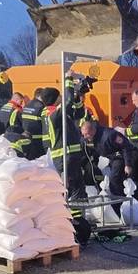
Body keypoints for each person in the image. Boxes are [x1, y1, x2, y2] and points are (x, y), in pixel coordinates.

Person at [42, 89, 87, 221]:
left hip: (69, 156)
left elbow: (78, 113)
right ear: (55, 99)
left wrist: (78, 97)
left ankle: (77, 221)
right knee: (71, 190)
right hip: (65, 157)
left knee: (77, 190)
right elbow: (67, 102)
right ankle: (70, 222)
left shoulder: (57, 114)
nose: (61, 97)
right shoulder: (53, 114)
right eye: (59, 96)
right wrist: (68, 79)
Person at [80, 120, 137, 199]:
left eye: (87, 134)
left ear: (93, 130)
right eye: (83, 135)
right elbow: (92, 151)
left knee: (114, 179)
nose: (85, 137)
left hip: (121, 156)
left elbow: (126, 147)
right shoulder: (88, 139)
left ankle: (119, 202)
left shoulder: (110, 135)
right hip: (110, 159)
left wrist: (128, 164)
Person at [20, 88, 56, 159]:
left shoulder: (27, 105)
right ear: (40, 96)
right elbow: (46, 124)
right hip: (38, 140)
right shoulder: (41, 107)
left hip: (26, 138)